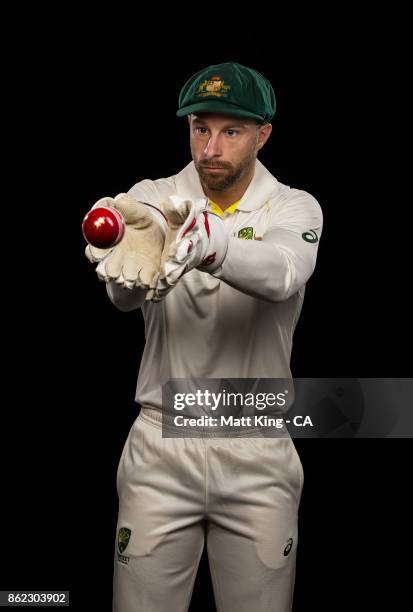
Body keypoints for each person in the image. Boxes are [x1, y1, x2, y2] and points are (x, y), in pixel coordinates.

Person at [86, 61, 323, 612]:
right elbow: (124, 295)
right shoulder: (153, 196)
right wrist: (124, 255)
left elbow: (285, 273)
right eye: (200, 128)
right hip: (161, 442)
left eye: (231, 131)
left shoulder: (293, 205)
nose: (211, 148)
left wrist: (209, 244)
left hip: (257, 447)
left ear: (262, 134)